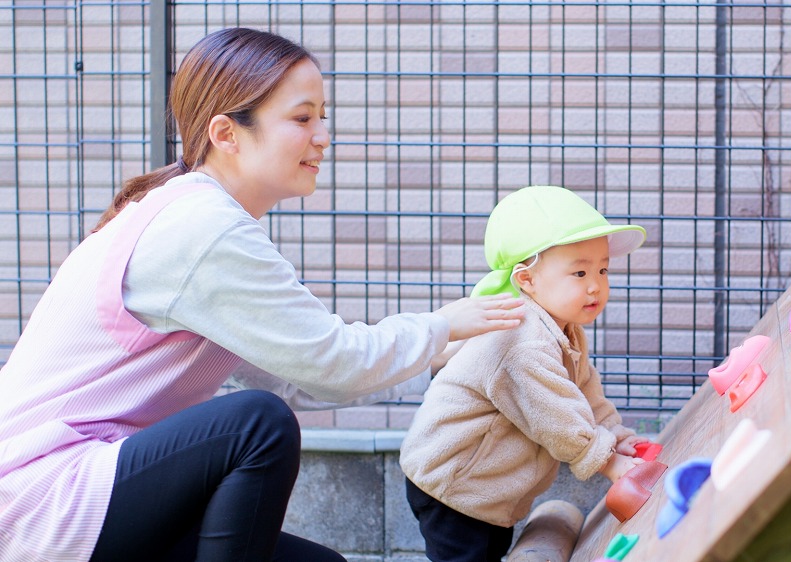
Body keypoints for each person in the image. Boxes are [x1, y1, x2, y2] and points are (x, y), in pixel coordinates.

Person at [0, 27, 524, 562]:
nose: (322, 135)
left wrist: (434, 355)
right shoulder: (202, 227)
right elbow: (332, 362)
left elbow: (300, 378)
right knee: (257, 424)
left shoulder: (196, 215)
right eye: (302, 118)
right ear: (226, 133)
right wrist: (445, 323)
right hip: (44, 499)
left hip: (93, 487)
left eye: (322, 116)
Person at [399, 185, 651, 562]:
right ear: (527, 281)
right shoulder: (520, 339)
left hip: (489, 488)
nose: (595, 285)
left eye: (603, 269)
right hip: (456, 484)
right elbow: (556, 416)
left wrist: (614, 435)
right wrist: (609, 461)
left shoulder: (563, 329)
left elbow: (582, 393)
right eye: (579, 272)